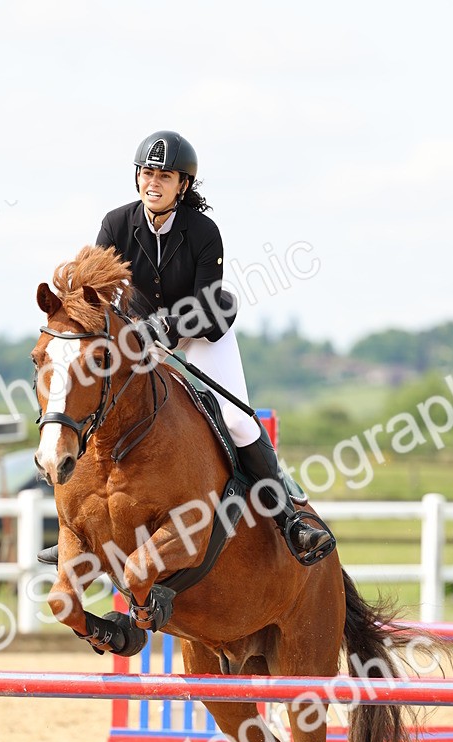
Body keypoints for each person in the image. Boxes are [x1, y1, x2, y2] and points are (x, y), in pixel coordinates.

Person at [38, 130, 335, 567]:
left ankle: (289, 518)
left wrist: (163, 329)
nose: (153, 182)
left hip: (201, 337)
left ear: (183, 184)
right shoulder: (116, 224)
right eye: (147, 173)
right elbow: (92, 293)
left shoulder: (202, 231)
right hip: (138, 342)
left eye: (164, 176)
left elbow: (207, 304)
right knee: (93, 405)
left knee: (235, 420)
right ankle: (76, 528)